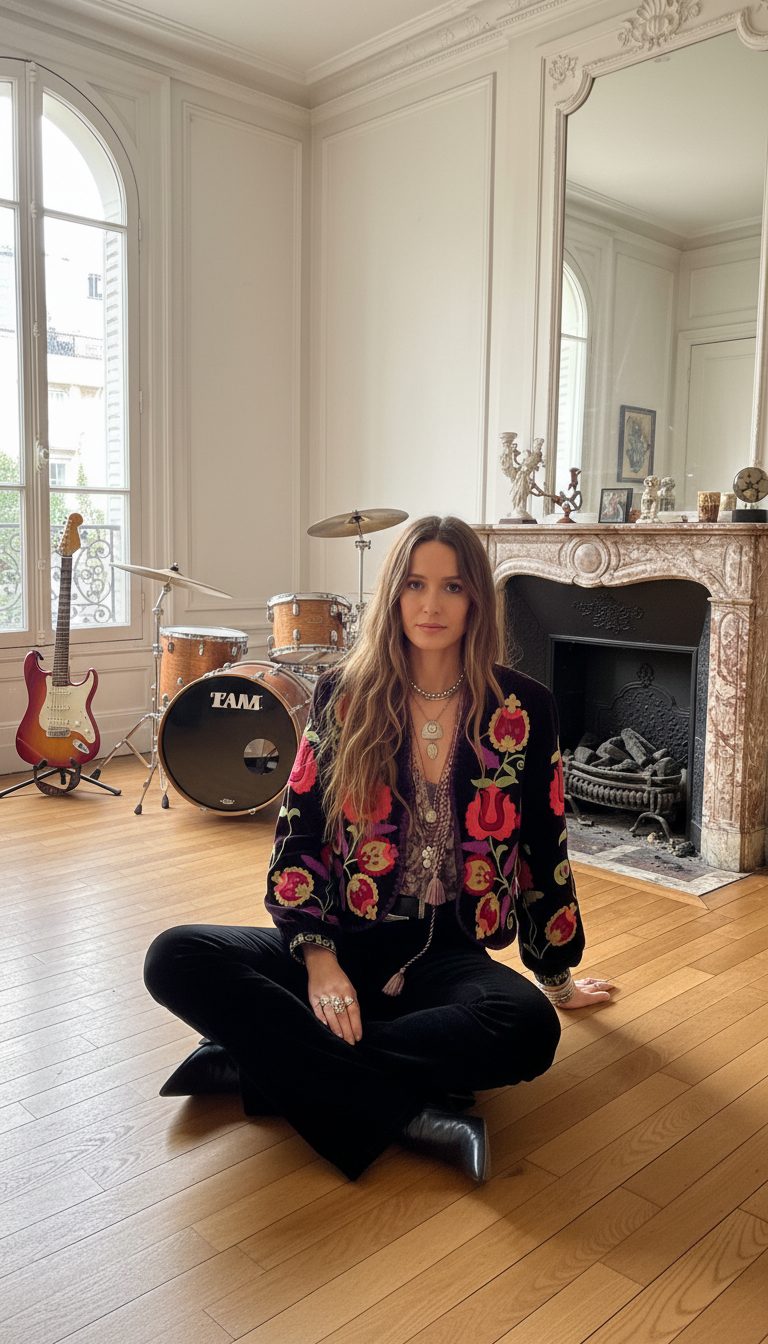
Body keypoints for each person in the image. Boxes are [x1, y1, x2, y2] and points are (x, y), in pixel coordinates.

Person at [144, 516, 614, 1183]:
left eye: (452, 586)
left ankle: (254, 1064)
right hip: (342, 938)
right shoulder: (344, 693)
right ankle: (411, 1116)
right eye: (415, 584)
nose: (431, 604)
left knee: (529, 1030)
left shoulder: (525, 707)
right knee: (175, 956)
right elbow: (300, 831)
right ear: (393, 594)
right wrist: (317, 959)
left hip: (445, 955)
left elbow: (545, 845)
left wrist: (557, 977)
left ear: (476, 599)